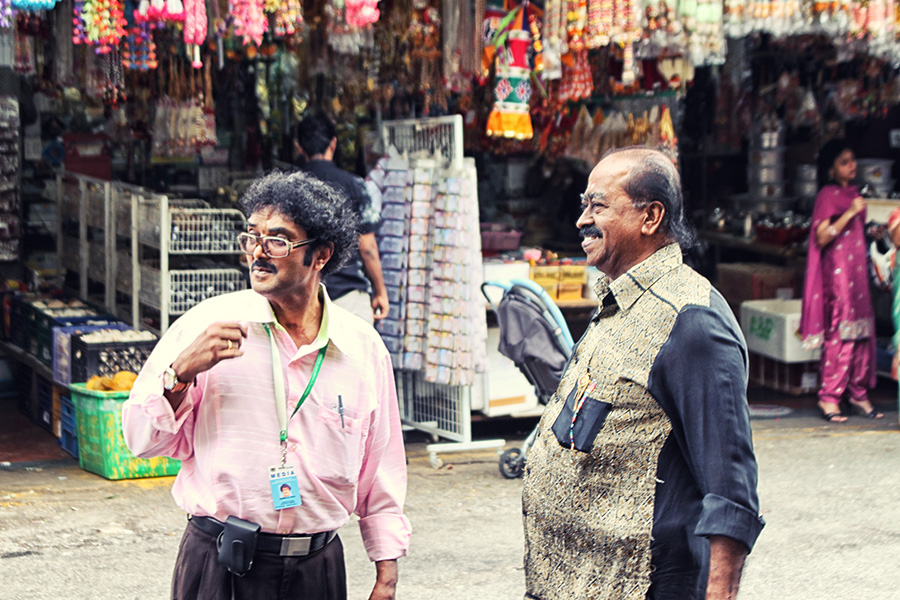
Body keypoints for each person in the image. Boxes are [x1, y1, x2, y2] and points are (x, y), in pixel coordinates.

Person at [122, 171, 410, 600]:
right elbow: (140, 441)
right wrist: (179, 375)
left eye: (278, 240)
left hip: (318, 569)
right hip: (219, 562)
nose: (258, 252)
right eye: (252, 237)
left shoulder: (363, 349)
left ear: (320, 255)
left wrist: (386, 574)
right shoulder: (209, 327)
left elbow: (381, 472)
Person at [521, 148, 765, 600]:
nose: (581, 220)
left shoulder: (692, 322)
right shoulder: (621, 302)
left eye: (598, 206)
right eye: (583, 205)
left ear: (650, 216)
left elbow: (731, 491)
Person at [799, 138, 882, 422]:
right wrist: (849, 213)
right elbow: (822, 236)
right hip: (838, 278)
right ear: (831, 169)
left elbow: (853, 233)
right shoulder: (827, 195)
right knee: (841, 334)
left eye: (853, 160)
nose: (852, 166)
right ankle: (830, 397)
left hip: (858, 276)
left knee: (862, 333)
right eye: (844, 162)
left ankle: (858, 393)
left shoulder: (855, 193)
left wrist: (871, 231)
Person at [296, 113, 389, 325]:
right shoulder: (353, 184)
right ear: (334, 143)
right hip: (348, 298)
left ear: (299, 147)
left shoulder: (289, 186)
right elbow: (367, 247)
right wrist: (380, 291)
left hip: (301, 299)